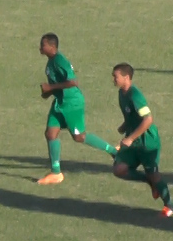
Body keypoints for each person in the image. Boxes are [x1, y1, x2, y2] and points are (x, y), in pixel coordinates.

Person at [37, 33, 118, 185]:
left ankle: (114, 152)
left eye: (43, 45)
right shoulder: (50, 63)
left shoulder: (60, 61)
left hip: (71, 103)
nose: (40, 48)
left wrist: (51, 87)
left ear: (52, 47)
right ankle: (56, 173)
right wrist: (47, 92)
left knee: (79, 137)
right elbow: (57, 86)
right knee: (50, 133)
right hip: (60, 103)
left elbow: (73, 82)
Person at [111, 63, 173, 217]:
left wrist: (130, 138)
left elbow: (148, 119)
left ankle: (170, 205)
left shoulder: (136, 95)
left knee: (153, 173)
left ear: (126, 77)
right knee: (119, 169)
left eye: (116, 76)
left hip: (147, 142)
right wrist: (124, 126)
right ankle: (149, 182)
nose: (113, 79)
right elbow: (131, 115)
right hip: (133, 141)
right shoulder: (122, 93)